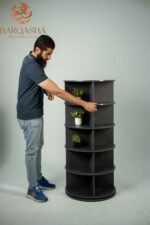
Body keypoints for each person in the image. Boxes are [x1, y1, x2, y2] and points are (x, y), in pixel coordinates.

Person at [17, 35, 97, 203]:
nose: (50, 58)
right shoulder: (32, 65)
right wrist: (83, 104)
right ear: (37, 50)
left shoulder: (34, 62)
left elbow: (37, 83)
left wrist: (45, 90)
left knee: (38, 146)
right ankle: (32, 188)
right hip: (29, 115)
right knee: (32, 151)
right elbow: (59, 91)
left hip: (34, 113)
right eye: (47, 54)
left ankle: (38, 178)